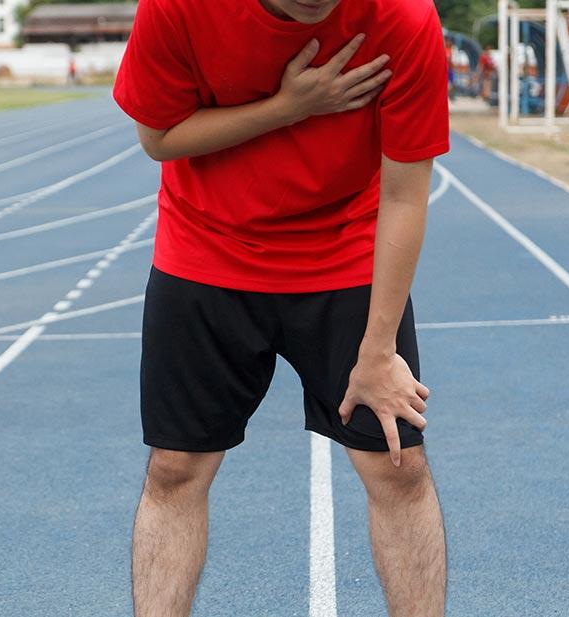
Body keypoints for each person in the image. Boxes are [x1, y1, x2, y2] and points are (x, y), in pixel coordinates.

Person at [112, 0, 450, 615]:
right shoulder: (177, 7)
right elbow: (157, 138)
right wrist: (288, 108)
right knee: (175, 468)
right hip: (206, 249)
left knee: (398, 468)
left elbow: (406, 192)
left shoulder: (403, 18)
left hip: (345, 253)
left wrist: (378, 351)